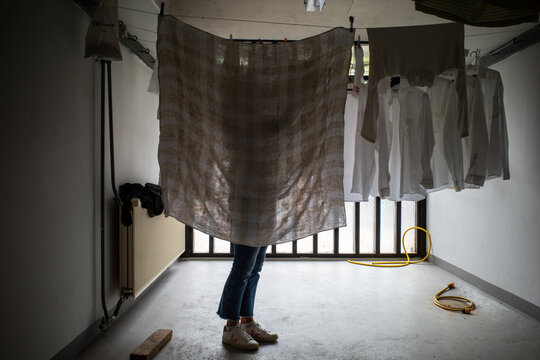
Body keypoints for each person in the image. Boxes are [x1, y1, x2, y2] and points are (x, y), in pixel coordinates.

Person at [217, 244, 279, 350]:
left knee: (255, 269)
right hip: (248, 227)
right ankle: (231, 327)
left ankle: (248, 322)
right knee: (242, 267)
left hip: (262, 226)